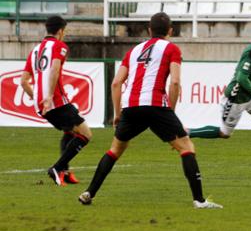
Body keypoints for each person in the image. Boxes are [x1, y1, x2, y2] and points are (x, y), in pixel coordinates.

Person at [78, 13, 222, 209]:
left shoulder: (134, 51)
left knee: (114, 150)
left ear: (149, 30)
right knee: (186, 148)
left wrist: (118, 113)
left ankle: (89, 192)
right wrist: (170, 113)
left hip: (131, 106)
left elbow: (116, 83)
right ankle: (199, 200)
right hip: (156, 106)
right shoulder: (171, 49)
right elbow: (176, 82)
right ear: (170, 31)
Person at [188, 23, 251, 172]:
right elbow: (241, 78)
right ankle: (188, 132)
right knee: (224, 133)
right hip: (236, 98)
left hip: (249, 96)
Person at [20, 16, 92, 186]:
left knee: (69, 131)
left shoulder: (35, 50)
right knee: (86, 134)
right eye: (64, 31)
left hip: (41, 102)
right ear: (60, 31)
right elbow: (54, 69)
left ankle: (65, 172)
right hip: (55, 100)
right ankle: (57, 168)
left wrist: (37, 97)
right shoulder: (60, 46)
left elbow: (23, 81)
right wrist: (49, 97)